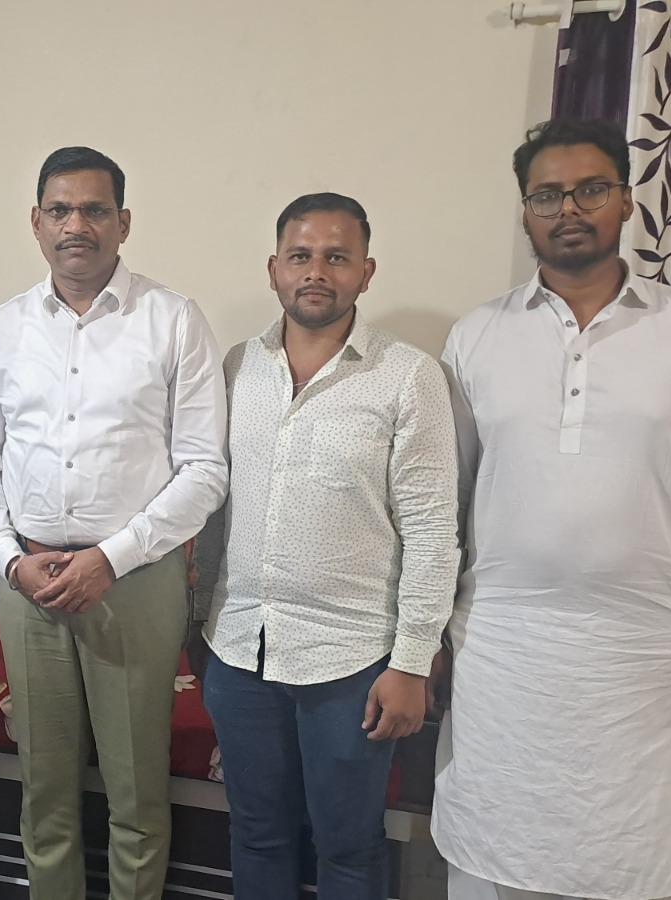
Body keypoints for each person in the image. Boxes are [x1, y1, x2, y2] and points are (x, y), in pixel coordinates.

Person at [431, 118, 671, 900]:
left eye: (591, 189)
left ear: (626, 201)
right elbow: (444, 504)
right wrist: (427, 642)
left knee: (644, 865)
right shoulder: (477, 336)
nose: (568, 209)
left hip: (648, 663)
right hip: (503, 659)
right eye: (546, 195)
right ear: (525, 212)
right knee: (497, 856)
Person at [0, 146, 229, 899]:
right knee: (42, 789)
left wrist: (112, 557)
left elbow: (205, 468)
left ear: (123, 222)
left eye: (94, 210)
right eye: (60, 210)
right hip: (29, 580)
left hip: (135, 581)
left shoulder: (172, 320)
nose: (76, 225)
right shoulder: (4, 328)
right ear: (36, 223)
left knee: (137, 792)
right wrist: (9, 558)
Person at [203, 193, 458, 899]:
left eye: (337, 257)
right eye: (301, 256)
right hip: (240, 648)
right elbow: (215, 502)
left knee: (348, 846)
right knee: (257, 832)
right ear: (274, 270)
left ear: (366, 272)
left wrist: (411, 661)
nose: (316, 271)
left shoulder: (408, 375)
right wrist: (200, 618)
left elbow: (433, 529)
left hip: (353, 661)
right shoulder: (237, 367)